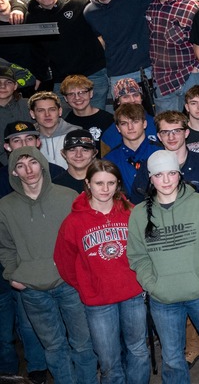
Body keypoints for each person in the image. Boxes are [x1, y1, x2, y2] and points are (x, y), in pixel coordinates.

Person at [127, 150, 199, 384]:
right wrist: (153, 285)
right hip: (163, 299)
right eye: (159, 175)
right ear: (150, 178)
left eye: (171, 173)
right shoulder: (138, 214)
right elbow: (138, 256)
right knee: (172, 359)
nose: (166, 180)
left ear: (179, 174)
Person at [0, 146, 97, 384]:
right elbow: (5, 246)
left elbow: (83, 238)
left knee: (83, 344)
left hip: (69, 284)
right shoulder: (5, 207)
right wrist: (12, 274)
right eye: (20, 166)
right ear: (14, 172)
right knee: (54, 347)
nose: (28, 170)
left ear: (42, 165)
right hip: (32, 290)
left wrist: (81, 273)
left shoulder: (68, 197)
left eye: (33, 163)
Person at [54, 160, 150, 384]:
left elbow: (147, 250)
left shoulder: (131, 213)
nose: (105, 189)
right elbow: (64, 261)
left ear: (118, 185)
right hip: (98, 301)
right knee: (108, 360)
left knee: (138, 351)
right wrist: (86, 285)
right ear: (88, 183)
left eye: (111, 183)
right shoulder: (74, 221)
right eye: (99, 183)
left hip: (133, 294)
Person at [23, 0, 109, 108]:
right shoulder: (32, 17)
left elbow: (109, 5)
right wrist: (39, 75)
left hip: (93, 75)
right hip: (62, 80)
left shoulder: (80, 2)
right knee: (65, 119)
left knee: (95, 116)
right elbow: (37, 51)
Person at [139, 0, 199, 113]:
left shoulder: (191, 7)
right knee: (167, 123)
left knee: (197, 121)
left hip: (190, 74)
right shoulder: (150, 8)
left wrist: (198, 67)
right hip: (162, 78)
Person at [82, 0, 154, 96]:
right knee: (124, 110)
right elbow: (101, 40)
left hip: (147, 70)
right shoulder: (90, 12)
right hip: (117, 74)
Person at [105, 103, 160, 200]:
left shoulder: (160, 152)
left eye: (135, 121)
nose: (130, 127)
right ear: (118, 128)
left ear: (144, 124)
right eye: (124, 123)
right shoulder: (109, 160)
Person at [29, 91, 78, 169]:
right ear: (32, 114)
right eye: (41, 110)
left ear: (60, 111)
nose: (47, 114)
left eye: (52, 109)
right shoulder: (28, 139)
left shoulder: (76, 134)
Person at [60, 75, 114, 146]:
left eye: (82, 92)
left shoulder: (108, 120)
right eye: (71, 94)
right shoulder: (65, 123)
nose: (77, 98)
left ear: (91, 93)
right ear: (65, 98)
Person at [52, 129, 100, 193]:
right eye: (72, 150)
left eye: (85, 150)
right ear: (63, 153)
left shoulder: (105, 183)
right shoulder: (55, 186)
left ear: (94, 153)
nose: (78, 155)